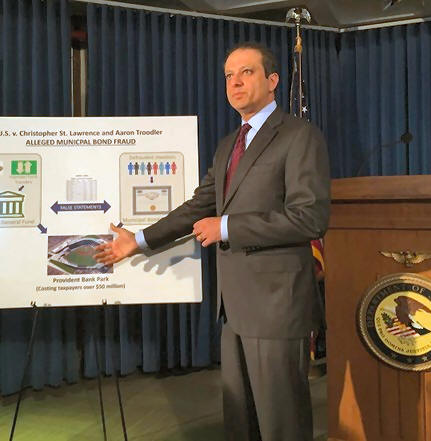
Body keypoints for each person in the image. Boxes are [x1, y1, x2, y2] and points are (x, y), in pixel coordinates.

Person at [95, 41, 330, 441]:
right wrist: (138, 240)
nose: (235, 82)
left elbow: (309, 218)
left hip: (277, 307)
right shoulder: (228, 145)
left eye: (246, 72)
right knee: (241, 422)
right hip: (234, 308)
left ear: (273, 80)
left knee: (282, 423)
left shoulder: (299, 136)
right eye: (228, 76)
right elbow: (197, 206)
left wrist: (227, 227)